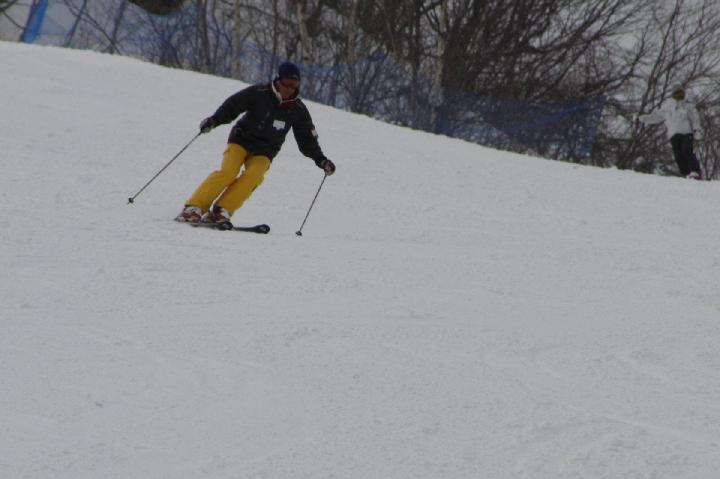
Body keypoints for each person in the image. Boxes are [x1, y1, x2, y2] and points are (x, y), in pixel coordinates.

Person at [176, 61, 336, 226]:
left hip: (265, 151)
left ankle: (221, 210)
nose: (290, 90)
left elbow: (307, 140)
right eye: (287, 84)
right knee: (228, 172)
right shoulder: (259, 93)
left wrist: (321, 160)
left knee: (254, 176)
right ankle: (194, 207)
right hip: (241, 140)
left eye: (294, 86)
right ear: (278, 80)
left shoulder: (298, 109)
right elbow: (233, 106)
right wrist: (214, 120)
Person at [639, 85, 703, 179]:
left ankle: (695, 171)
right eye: (677, 93)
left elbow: (695, 119)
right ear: (673, 95)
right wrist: (644, 118)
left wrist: (697, 130)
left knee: (686, 151)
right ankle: (685, 173)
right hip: (674, 134)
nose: (679, 95)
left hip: (686, 133)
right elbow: (656, 117)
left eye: (681, 93)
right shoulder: (668, 107)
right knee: (678, 155)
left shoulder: (688, 106)